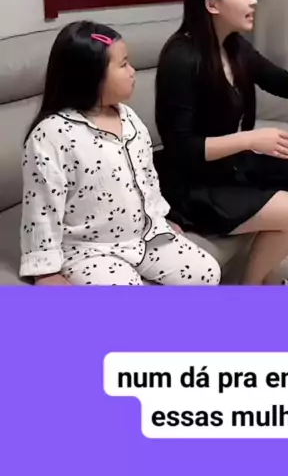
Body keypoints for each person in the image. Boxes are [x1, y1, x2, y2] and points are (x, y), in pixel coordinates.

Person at [155, 0, 288, 286]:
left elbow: (286, 85)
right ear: (212, 4)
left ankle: (263, 276)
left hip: (227, 168)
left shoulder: (235, 46)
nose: (253, 0)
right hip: (190, 184)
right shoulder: (180, 58)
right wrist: (252, 140)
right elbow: (182, 148)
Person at [20, 21, 221, 286]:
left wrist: (159, 219)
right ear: (91, 76)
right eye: (124, 64)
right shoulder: (51, 135)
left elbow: (147, 179)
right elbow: (42, 207)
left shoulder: (129, 118)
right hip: (89, 250)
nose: (132, 71)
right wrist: (46, 271)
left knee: (207, 273)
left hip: (144, 237)